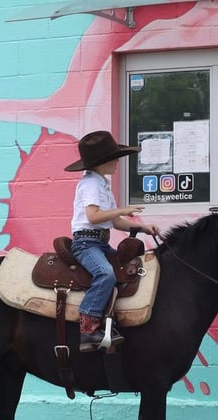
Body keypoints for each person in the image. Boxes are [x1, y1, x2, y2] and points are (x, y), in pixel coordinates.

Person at [64, 130, 160, 352]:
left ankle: (109, 323)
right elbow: (93, 217)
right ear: (102, 162)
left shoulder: (103, 184)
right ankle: (87, 328)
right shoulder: (90, 184)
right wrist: (124, 209)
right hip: (85, 244)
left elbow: (115, 221)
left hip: (100, 242)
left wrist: (142, 228)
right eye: (114, 157)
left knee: (123, 271)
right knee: (105, 273)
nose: (117, 162)